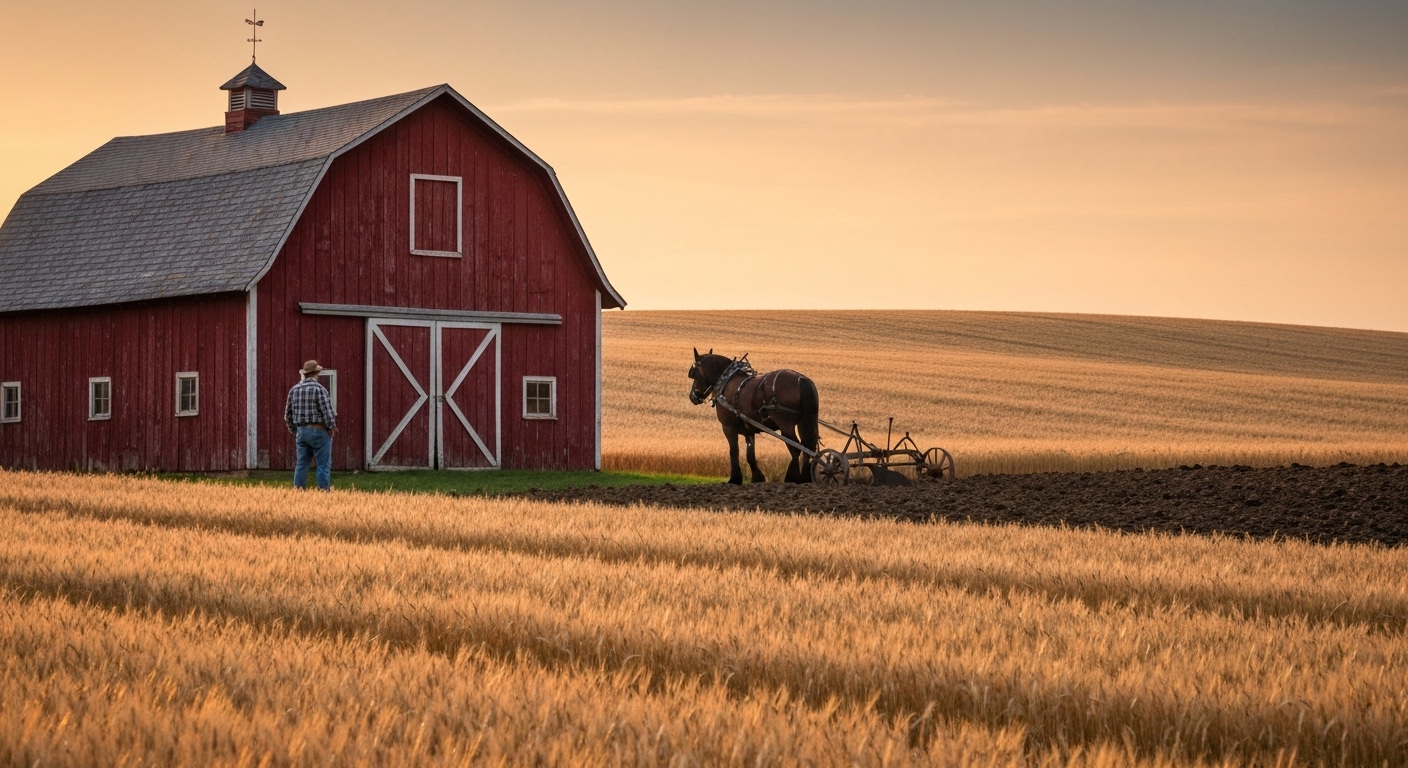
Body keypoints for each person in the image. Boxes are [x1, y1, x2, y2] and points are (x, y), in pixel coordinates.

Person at [284, 360, 337, 490]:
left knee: (302, 463)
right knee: (323, 464)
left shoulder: (294, 390)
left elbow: (287, 415)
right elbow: (328, 412)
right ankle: (323, 490)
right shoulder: (320, 389)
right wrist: (331, 427)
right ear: (316, 373)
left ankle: (298, 490)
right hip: (318, 430)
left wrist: (294, 430)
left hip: (301, 431)